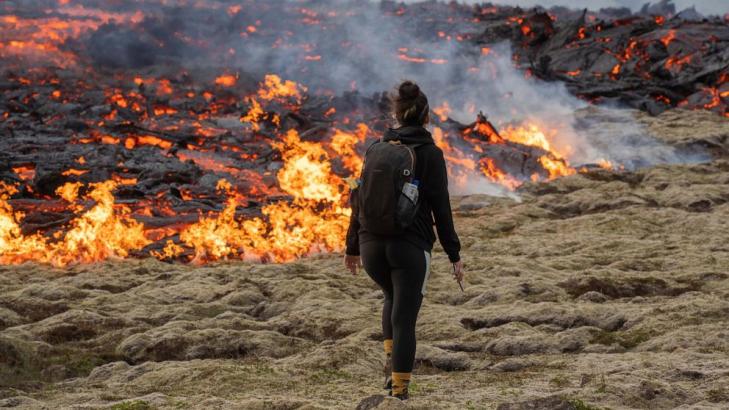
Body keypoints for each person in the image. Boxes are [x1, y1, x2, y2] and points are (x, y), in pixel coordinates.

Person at [343, 80, 463, 400]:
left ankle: (389, 365)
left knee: (391, 298)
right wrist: (454, 254)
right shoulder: (430, 153)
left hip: (371, 248)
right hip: (409, 247)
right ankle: (398, 394)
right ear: (426, 117)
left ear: (396, 115)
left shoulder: (377, 148)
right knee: (405, 317)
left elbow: (358, 198)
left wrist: (352, 247)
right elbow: (441, 207)